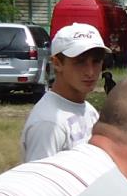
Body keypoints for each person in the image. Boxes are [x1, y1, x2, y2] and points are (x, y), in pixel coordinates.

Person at [20, 22, 110, 162]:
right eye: (80, 62)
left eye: (96, 61)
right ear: (57, 63)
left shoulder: (88, 110)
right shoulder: (48, 123)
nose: (90, 72)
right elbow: (42, 175)